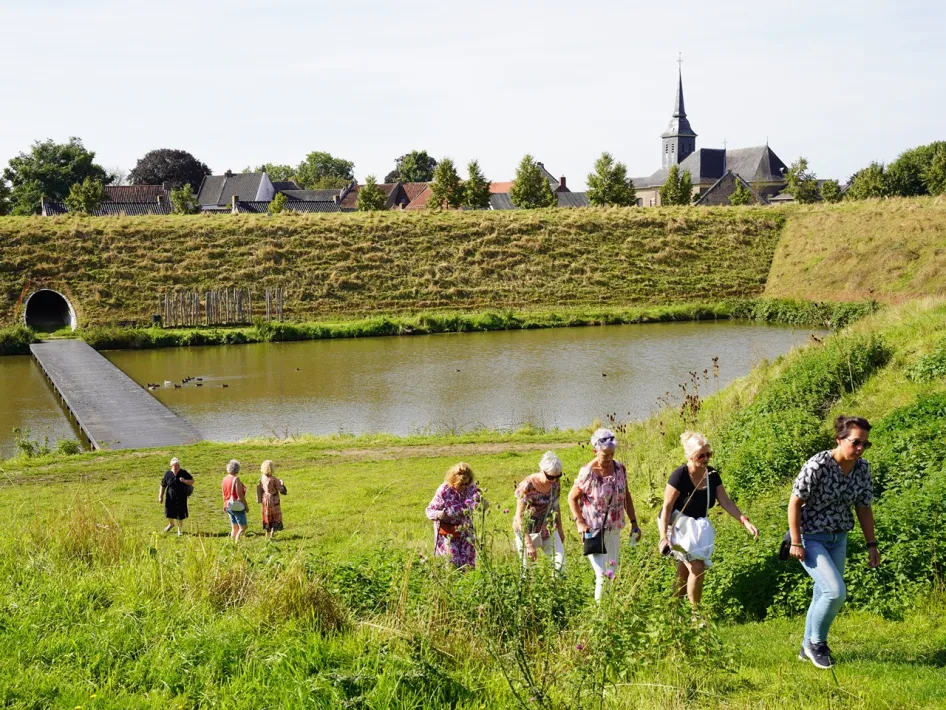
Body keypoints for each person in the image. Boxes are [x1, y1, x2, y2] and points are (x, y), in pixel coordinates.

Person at [789, 415, 879, 670]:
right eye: (855, 443)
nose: (860, 448)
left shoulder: (862, 469)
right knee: (835, 591)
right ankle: (817, 643)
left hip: (839, 538)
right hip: (811, 538)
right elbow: (794, 502)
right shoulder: (817, 465)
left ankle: (806, 648)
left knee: (822, 593)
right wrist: (796, 541)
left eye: (865, 444)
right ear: (839, 439)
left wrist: (871, 544)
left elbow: (863, 506)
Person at [657, 431, 758, 607]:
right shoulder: (679, 475)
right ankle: (696, 615)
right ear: (690, 456)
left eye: (708, 454)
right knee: (696, 567)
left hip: (696, 528)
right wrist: (663, 538)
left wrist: (744, 521)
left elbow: (725, 501)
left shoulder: (711, 475)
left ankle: (674, 612)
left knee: (683, 571)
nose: (705, 459)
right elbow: (666, 506)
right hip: (677, 526)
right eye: (700, 456)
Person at [567, 428, 642, 602]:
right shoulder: (588, 472)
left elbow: (626, 495)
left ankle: (610, 609)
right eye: (604, 455)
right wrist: (579, 522)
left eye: (611, 454)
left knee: (612, 573)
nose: (608, 459)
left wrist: (634, 522)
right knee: (602, 575)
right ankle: (600, 616)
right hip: (594, 531)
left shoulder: (620, 468)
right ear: (595, 451)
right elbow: (572, 497)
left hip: (614, 529)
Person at [513, 451, 566, 572]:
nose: (554, 480)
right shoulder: (527, 486)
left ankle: (556, 589)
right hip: (526, 530)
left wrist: (560, 530)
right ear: (542, 470)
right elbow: (519, 516)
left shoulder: (555, 483)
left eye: (558, 476)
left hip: (548, 528)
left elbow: (556, 506)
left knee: (560, 564)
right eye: (550, 477)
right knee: (527, 570)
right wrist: (529, 543)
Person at [425, 462, 485, 569]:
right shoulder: (444, 491)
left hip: (467, 532)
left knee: (468, 564)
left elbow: (478, 502)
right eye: (461, 484)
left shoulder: (471, 488)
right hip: (449, 534)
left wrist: (482, 504)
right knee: (453, 563)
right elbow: (429, 511)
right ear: (453, 481)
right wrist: (439, 514)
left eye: (467, 484)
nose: (464, 487)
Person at [158, 457, 194, 536]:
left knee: (180, 514)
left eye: (178, 465)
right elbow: (163, 485)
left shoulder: (183, 472)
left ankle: (179, 530)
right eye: (175, 466)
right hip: (170, 497)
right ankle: (171, 524)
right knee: (169, 512)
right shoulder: (168, 474)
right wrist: (160, 496)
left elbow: (192, 481)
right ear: (171, 466)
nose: (177, 467)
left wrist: (184, 481)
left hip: (181, 497)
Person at [256, 459, 285, 540]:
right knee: (275, 516)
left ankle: (267, 533)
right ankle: (272, 534)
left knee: (267, 515)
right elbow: (281, 490)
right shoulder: (274, 479)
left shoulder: (262, 478)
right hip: (273, 499)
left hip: (265, 498)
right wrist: (282, 483)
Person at [221, 459, 249, 541]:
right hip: (236, 505)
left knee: (234, 527)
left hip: (228, 504)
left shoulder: (224, 479)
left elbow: (223, 494)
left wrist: (224, 505)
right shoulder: (236, 479)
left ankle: (232, 543)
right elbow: (240, 495)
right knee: (243, 526)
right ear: (237, 469)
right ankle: (237, 540)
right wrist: (246, 506)